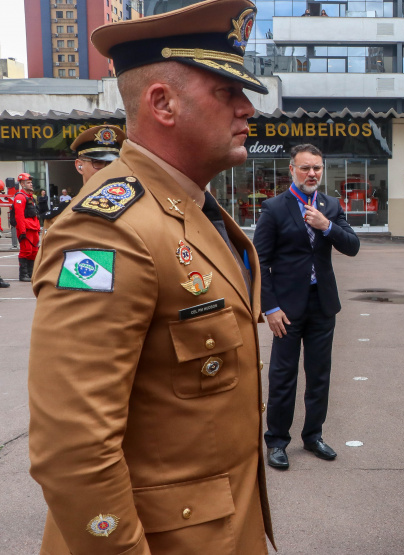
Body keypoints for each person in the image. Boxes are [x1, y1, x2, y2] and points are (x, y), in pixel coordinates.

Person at [27, 1, 275, 553]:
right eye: (226, 92)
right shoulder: (106, 232)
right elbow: (72, 449)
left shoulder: (189, 207)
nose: (247, 109)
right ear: (162, 103)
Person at [255, 143, 360, 469]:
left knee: (319, 376)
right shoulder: (274, 208)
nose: (312, 173)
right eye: (305, 168)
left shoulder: (330, 205)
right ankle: (277, 441)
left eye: (317, 168)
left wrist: (326, 226)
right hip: (286, 309)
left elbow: (352, 246)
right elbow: (259, 261)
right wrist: (269, 308)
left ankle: (313, 436)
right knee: (283, 376)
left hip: (322, 305)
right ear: (292, 170)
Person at [46, 125, 128, 229]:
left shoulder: (131, 209)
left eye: (112, 163)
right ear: (79, 166)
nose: (107, 169)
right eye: (98, 162)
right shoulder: (60, 215)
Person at [13, 172, 40, 281]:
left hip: (33, 228)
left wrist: (38, 229)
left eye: (31, 182)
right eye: (28, 182)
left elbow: (35, 215)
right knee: (26, 251)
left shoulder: (30, 197)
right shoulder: (20, 197)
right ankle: (23, 275)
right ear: (22, 184)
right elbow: (19, 216)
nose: (31, 184)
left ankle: (30, 273)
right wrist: (22, 232)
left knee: (34, 252)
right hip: (26, 229)